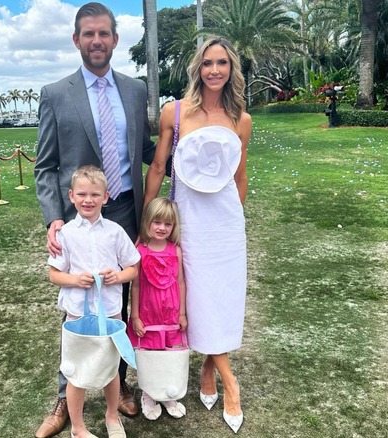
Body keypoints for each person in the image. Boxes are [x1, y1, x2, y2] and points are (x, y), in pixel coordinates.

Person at [33, 2, 161, 437]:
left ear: (115, 39)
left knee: (116, 302)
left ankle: (118, 385)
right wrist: (53, 217)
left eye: (103, 33)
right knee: (75, 310)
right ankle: (64, 395)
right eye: (88, 34)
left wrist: (189, 152)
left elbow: (145, 149)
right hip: (75, 217)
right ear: (76, 40)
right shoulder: (55, 93)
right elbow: (45, 165)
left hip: (124, 209)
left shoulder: (135, 90)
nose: (96, 41)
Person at [143, 36, 252, 434]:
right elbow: (157, 167)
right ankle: (230, 382)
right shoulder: (175, 112)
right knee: (196, 295)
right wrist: (146, 218)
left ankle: (209, 365)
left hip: (224, 224)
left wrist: (232, 217)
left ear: (231, 69)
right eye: (208, 63)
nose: (215, 70)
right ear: (197, 68)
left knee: (221, 297)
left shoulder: (242, 119)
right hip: (188, 219)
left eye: (222, 63)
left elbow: (238, 176)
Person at [47, 165, 140, 438]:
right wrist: (75, 280)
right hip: (77, 314)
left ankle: (112, 416)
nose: (88, 200)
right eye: (82, 194)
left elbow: (134, 267)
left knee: (110, 369)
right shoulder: (65, 235)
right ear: (71, 196)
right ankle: (78, 428)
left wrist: (118, 276)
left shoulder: (114, 231)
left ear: (106, 196)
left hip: (110, 312)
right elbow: (54, 275)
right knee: (77, 372)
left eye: (95, 194)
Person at [126, 197, 187, 420]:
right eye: (157, 222)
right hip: (148, 314)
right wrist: (135, 316)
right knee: (149, 354)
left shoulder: (176, 251)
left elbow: (181, 282)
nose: (162, 228)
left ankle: (167, 392)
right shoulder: (139, 251)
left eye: (168, 224)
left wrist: (181, 313)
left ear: (174, 226)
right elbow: (137, 285)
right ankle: (149, 393)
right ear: (148, 222)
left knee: (169, 353)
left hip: (170, 314)